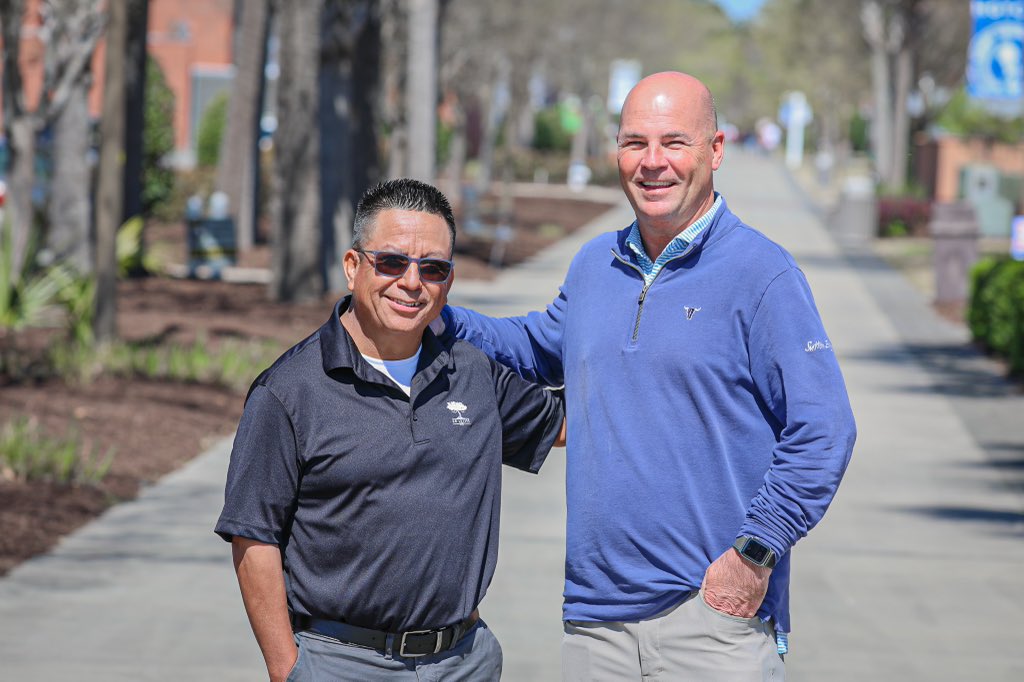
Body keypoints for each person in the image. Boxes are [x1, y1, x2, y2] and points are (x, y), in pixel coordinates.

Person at [440, 71, 856, 680]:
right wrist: (428, 310)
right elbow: (534, 346)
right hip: (594, 622)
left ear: (715, 152)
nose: (652, 162)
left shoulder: (763, 274)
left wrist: (754, 554)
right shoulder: (594, 264)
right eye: (635, 143)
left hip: (709, 621)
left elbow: (825, 430)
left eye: (674, 142)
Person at [215, 178, 565, 681]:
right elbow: (253, 537)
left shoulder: (473, 372)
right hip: (342, 662)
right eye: (392, 262)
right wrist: (286, 669)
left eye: (433, 268)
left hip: (463, 662)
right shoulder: (289, 391)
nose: (411, 282)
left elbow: (571, 424)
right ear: (354, 266)